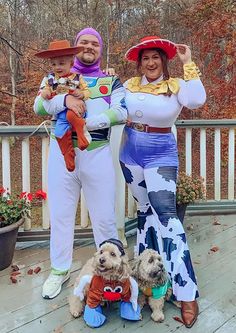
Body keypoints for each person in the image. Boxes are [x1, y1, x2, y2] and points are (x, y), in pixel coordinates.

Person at [33, 28, 127, 299]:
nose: (89, 46)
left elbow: (122, 111)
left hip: (96, 153)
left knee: (105, 217)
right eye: (83, 42)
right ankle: (59, 270)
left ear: (100, 49)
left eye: (94, 43)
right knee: (61, 215)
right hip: (61, 155)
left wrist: (89, 123)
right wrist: (65, 99)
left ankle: (111, 272)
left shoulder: (111, 80)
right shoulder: (55, 76)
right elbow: (39, 106)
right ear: (76, 48)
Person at [119, 36, 206, 328]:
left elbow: (197, 100)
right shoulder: (129, 86)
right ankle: (149, 281)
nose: (151, 63)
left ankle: (186, 291)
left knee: (168, 219)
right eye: (145, 58)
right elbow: (110, 107)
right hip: (130, 156)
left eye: (156, 57)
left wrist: (188, 63)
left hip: (161, 156)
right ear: (139, 62)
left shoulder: (176, 86)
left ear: (163, 60)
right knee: (144, 215)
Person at [35, 39, 91, 172]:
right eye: (54, 64)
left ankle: (82, 136)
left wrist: (81, 94)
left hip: (75, 110)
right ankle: (68, 155)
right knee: (60, 133)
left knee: (72, 116)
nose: (57, 67)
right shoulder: (50, 79)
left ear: (71, 63)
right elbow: (43, 95)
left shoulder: (77, 78)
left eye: (61, 63)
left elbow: (88, 92)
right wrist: (46, 93)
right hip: (60, 114)